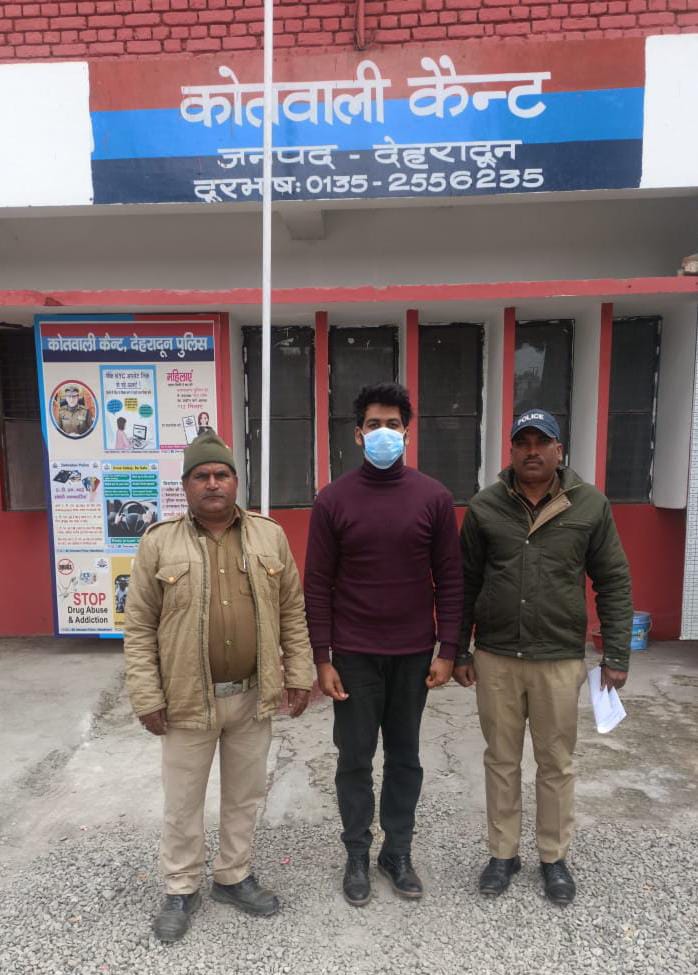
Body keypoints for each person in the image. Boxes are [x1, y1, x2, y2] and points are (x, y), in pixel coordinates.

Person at [124, 432, 313, 942]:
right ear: (186, 485)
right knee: (183, 800)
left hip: (252, 696)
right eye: (201, 475)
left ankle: (233, 875)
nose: (213, 483)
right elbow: (139, 627)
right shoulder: (159, 542)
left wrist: (299, 673)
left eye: (221, 474)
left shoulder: (269, 537)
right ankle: (181, 887)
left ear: (235, 481)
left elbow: (292, 611)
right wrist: (147, 696)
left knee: (245, 794)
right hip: (187, 699)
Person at [454, 409, 632, 905]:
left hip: (558, 658)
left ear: (559, 450)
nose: (532, 451)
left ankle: (554, 858)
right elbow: (464, 582)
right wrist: (458, 649)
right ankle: (503, 854)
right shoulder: (486, 506)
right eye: (523, 442)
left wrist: (617, 652)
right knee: (501, 759)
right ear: (511, 450)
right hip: (496, 658)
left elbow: (613, 579)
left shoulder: (589, 504)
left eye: (542, 442)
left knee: (556, 762)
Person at [304, 382, 462, 907]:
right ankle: (356, 853)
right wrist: (322, 658)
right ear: (358, 434)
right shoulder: (333, 500)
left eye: (393, 425)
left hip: (413, 654)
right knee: (354, 758)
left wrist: (447, 649)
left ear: (407, 434)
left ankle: (397, 852)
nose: (384, 433)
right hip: (353, 654)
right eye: (374, 425)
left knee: (404, 757)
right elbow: (317, 584)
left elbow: (451, 579)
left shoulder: (434, 498)